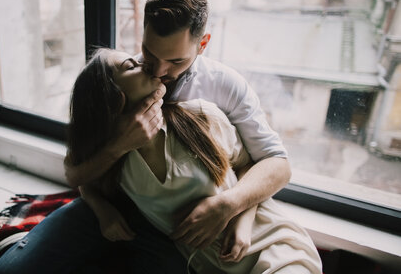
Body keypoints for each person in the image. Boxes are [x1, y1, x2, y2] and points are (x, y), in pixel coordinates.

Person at [70, 48, 322, 273]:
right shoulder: (114, 162)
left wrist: (238, 216)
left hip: (271, 246)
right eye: (130, 65)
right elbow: (83, 178)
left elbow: (249, 164)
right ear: (114, 97)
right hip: (210, 265)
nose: (144, 63)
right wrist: (102, 210)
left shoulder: (199, 116)